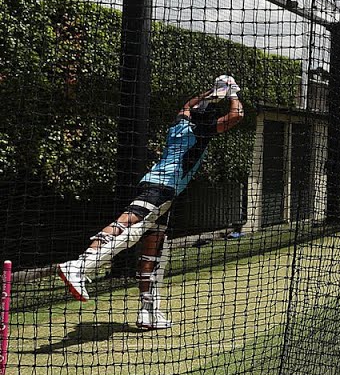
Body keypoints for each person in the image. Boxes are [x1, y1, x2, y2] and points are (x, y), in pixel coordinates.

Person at [57, 75, 246, 330]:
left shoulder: (180, 123)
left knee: (152, 251)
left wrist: (211, 93)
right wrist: (231, 92)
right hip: (163, 187)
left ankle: (148, 311)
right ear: (208, 119)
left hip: (160, 186)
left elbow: (187, 106)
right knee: (126, 222)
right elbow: (237, 115)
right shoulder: (202, 131)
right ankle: (79, 265)